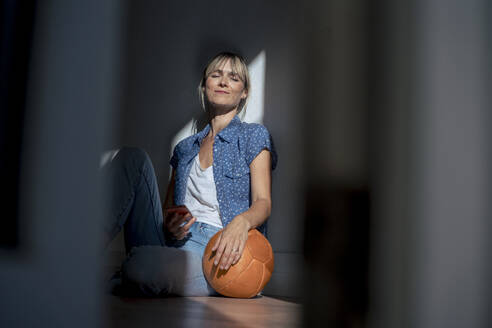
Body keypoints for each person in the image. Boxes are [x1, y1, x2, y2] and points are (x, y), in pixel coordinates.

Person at [104, 52, 277, 297]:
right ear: (204, 86)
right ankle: (85, 253)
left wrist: (242, 222)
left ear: (244, 91)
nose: (223, 82)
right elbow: (166, 212)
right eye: (215, 75)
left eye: (233, 77)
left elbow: (263, 202)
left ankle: (130, 273)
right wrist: (172, 225)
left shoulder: (253, 136)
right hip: (171, 243)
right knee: (132, 157)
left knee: (141, 266)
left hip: (216, 251)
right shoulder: (185, 148)